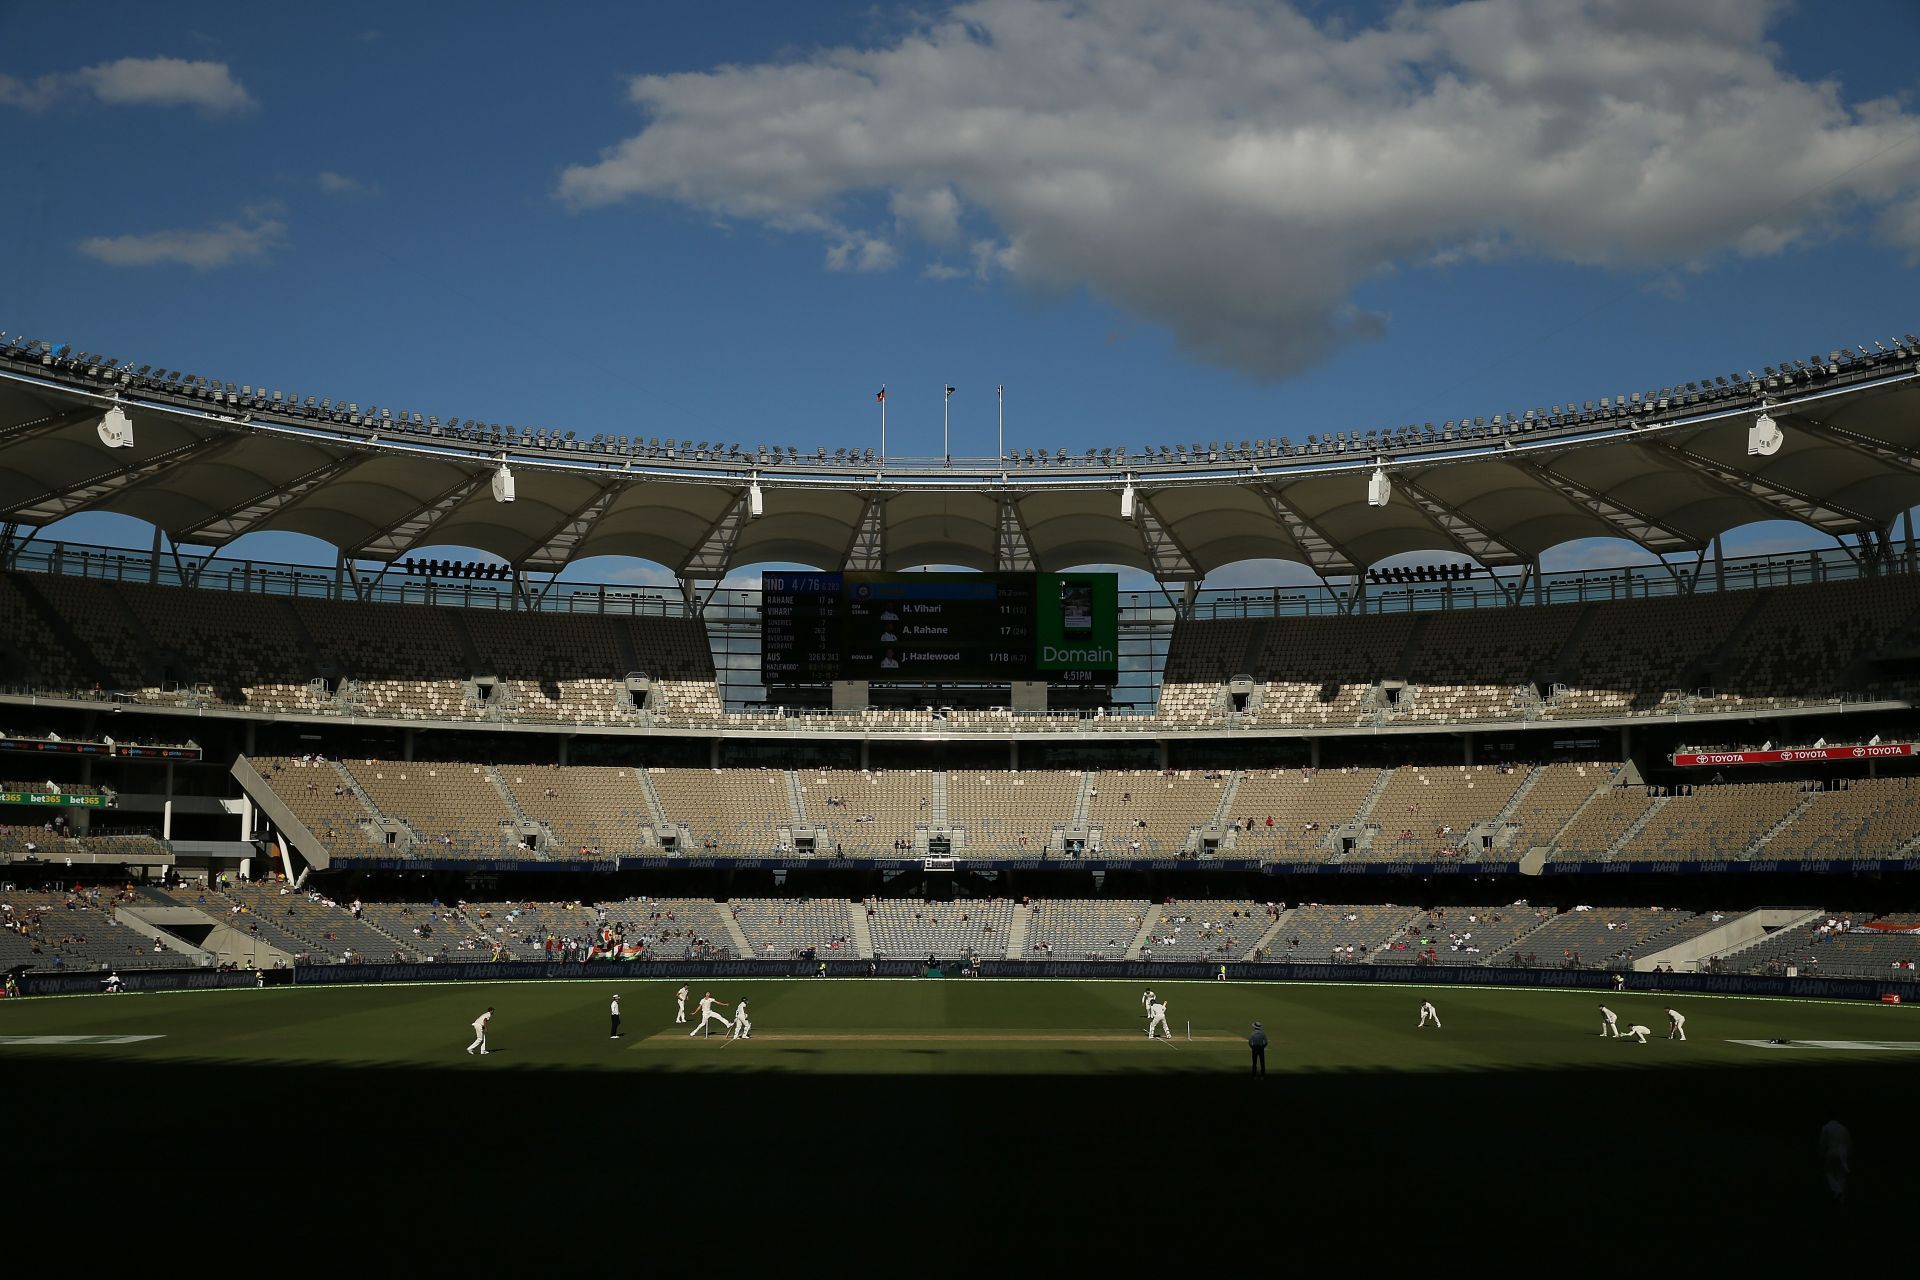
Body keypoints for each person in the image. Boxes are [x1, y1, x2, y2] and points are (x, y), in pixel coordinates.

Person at [1819, 1120, 1851, 1201]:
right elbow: (1848, 1141)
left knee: (1828, 1172)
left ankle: (1837, 1190)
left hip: (1832, 1151)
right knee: (1841, 1174)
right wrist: (1849, 1153)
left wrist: (1821, 1153)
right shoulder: (1843, 1127)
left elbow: (1823, 1142)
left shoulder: (1826, 1127)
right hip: (1843, 1151)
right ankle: (1841, 1198)